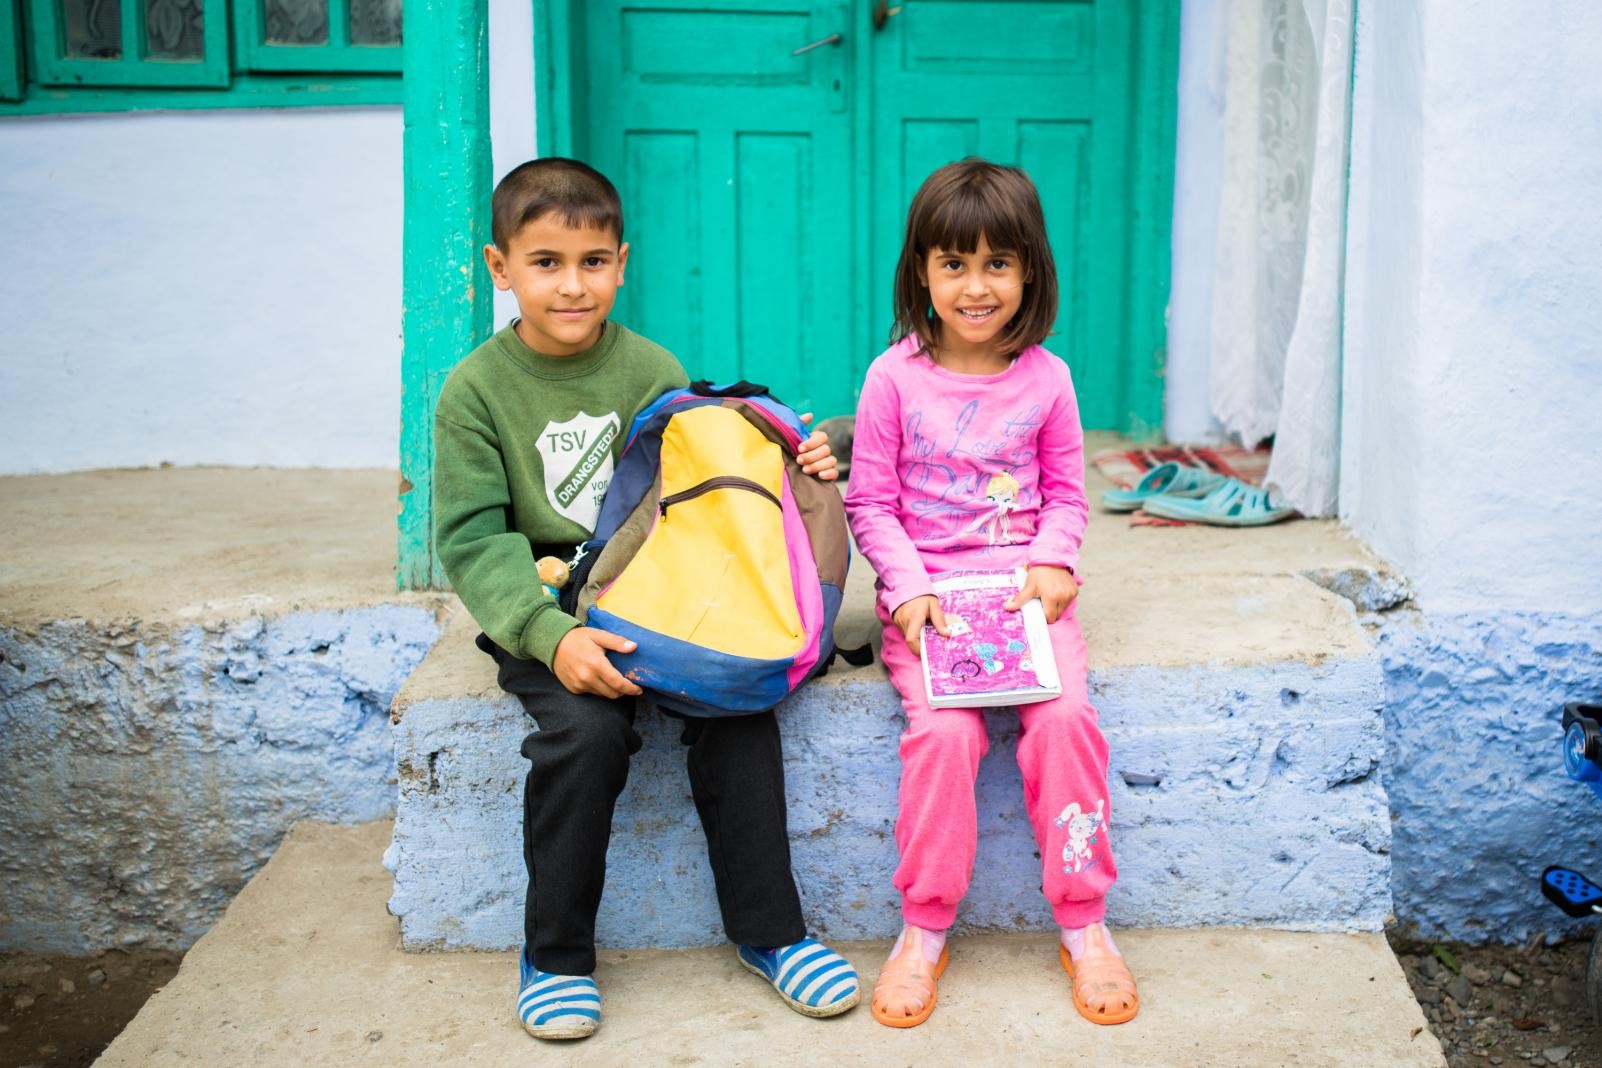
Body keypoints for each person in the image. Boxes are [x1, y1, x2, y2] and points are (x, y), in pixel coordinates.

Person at [432, 157, 859, 1042]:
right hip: (553, 610)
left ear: (622, 262)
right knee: (583, 736)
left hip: (663, 594)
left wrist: (796, 460)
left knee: (739, 711)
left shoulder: (653, 366)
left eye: (592, 261)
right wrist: (550, 640)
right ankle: (554, 955)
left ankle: (772, 934)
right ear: (498, 267)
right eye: (545, 262)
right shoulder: (474, 390)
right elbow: (473, 541)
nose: (572, 284)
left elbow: (707, 478)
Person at [844, 158, 1139, 1028]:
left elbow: (1067, 494)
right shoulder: (892, 379)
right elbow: (871, 501)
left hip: (1027, 605)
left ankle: (1085, 923)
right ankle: (924, 927)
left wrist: (1052, 564)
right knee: (942, 738)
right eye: (954, 264)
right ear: (922, 273)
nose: (976, 287)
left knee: (1066, 726)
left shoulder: (1047, 378)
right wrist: (903, 592)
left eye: (998, 265)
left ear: (1029, 272)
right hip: (931, 604)